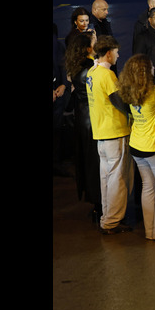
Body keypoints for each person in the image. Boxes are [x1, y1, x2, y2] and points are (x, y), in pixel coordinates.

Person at [115, 54, 155, 241]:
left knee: (148, 187)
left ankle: (149, 232)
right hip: (154, 146)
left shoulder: (129, 91)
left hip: (137, 146)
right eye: (152, 67)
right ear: (146, 72)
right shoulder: (154, 93)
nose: (154, 69)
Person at [86, 35, 133, 235]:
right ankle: (112, 222)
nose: (118, 55)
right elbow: (119, 102)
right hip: (115, 132)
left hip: (100, 133)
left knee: (106, 179)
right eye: (116, 52)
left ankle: (107, 217)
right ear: (108, 53)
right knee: (118, 180)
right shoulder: (108, 75)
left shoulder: (91, 72)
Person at [65, 33, 102, 222]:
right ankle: (100, 203)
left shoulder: (75, 67)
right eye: (95, 42)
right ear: (88, 48)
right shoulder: (91, 70)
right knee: (95, 164)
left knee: (88, 162)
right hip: (92, 120)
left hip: (81, 119)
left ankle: (96, 203)